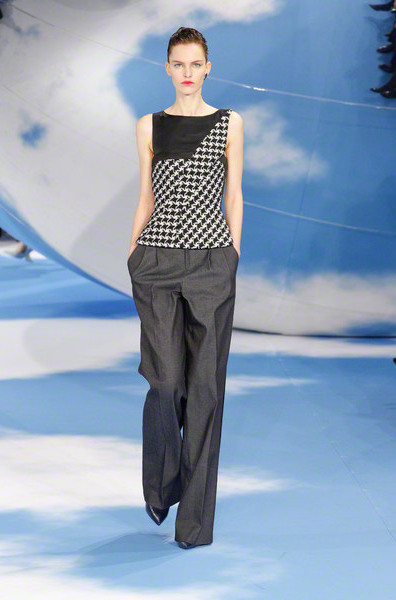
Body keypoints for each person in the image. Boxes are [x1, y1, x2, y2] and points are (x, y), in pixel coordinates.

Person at [126, 26, 243, 550]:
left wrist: (232, 254)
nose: (187, 73)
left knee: (204, 393)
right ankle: (161, 485)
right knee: (165, 380)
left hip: (211, 262)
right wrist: (134, 250)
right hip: (156, 261)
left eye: (196, 64)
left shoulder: (229, 123)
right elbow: (146, 194)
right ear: (168, 67)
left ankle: (193, 525)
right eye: (179, 64)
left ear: (207, 68)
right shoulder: (149, 125)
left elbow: (234, 193)